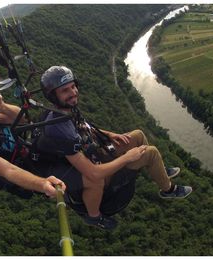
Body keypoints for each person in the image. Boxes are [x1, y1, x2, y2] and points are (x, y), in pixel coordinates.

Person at [37, 65, 193, 230]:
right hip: (95, 169)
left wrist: (110, 135)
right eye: (65, 90)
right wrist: (128, 157)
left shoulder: (63, 110)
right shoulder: (60, 129)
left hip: (94, 153)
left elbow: (84, 127)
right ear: (53, 96)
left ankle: (157, 169)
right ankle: (168, 189)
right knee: (151, 153)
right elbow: (93, 173)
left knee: (138, 135)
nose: (73, 92)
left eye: (73, 86)